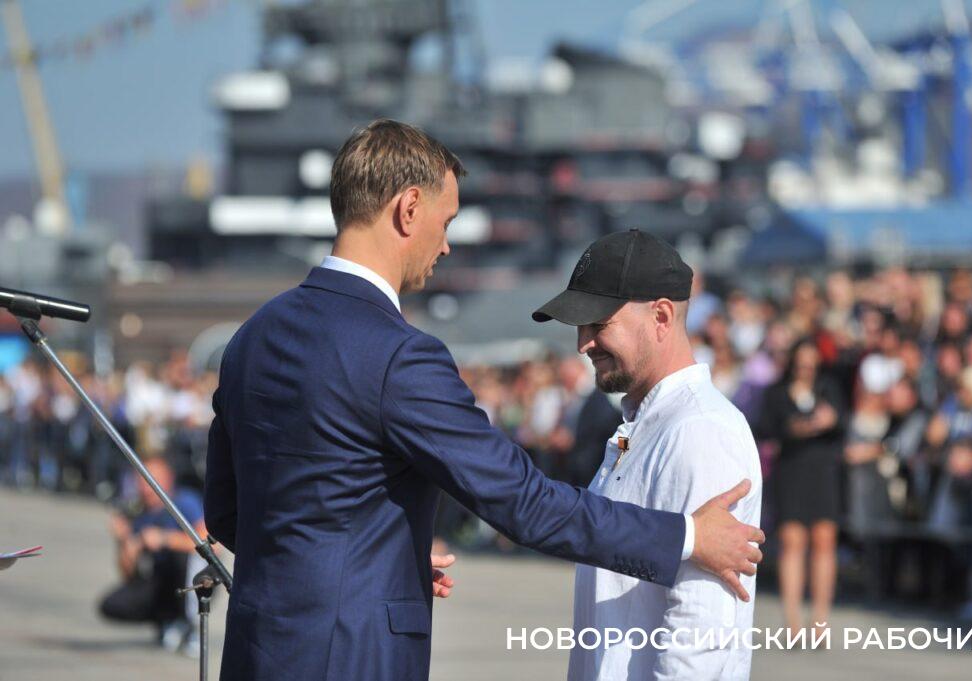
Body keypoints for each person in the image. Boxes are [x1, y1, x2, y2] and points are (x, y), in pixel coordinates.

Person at [203, 120, 765, 681]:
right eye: (446, 221)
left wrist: (376, 559)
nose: (446, 244)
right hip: (352, 657)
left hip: (258, 651)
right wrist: (687, 536)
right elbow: (522, 502)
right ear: (409, 209)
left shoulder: (252, 338)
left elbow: (231, 513)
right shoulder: (399, 356)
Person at [533, 229, 762, 681]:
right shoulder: (643, 423)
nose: (583, 344)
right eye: (580, 327)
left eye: (598, 324)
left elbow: (701, 631)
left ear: (661, 316)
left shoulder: (700, 430)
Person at [757, 338, 845, 638]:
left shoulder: (829, 388)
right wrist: (793, 428)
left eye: (811, 363)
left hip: (823, 470)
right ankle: (792, 619)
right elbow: (766, 427)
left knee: (824, 539)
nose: (806, 369)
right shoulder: (776, 392)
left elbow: (843, 424)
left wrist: (831, 420)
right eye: (801, 363)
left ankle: (820, 619)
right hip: (791, 470)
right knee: (792, 541)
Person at [99, 456, 205, 655]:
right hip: (159, 581)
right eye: (140, 480)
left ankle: (189, 626)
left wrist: (165, 539)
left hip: (192, 579)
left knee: (181, 559)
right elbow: (128, 576)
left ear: (168, 479)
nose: (145, 487)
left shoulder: (184, 501)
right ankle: (166, 620)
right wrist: (124, 541)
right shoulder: (138, 513)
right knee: (111, 604)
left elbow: (209, 545)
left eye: (150, 479)